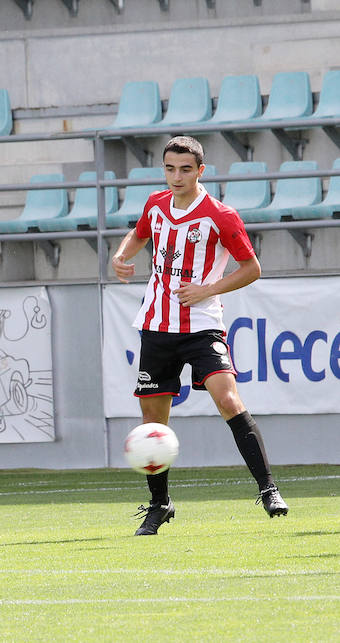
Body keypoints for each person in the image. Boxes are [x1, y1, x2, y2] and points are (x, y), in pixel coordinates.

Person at [111, 135, 289, 536]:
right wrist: (122, 255)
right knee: (152, 422)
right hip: (156, 326)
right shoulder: (155, 204)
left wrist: (207, 289)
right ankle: (160, 505)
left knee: (228, 399)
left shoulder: (220, 215)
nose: (177, 177)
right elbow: (138, 234)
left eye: (185, 169)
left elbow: (251, 268)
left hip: (202, 326)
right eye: (170, 168)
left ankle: (268, 488)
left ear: (200, 171)